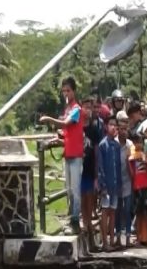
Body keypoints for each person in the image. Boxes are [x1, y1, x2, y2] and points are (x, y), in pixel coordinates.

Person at [39, 76, 84, 235]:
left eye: (68, 90)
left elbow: (66, 124)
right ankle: (72, 218)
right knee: (69, 189)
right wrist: (58, 137)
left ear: (74, 91)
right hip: (68, 154)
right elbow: (67, 132)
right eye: (64, 91)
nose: (66, 93)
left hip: (76, 155)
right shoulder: (67, 110)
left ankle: (75, 221)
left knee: (75, 190)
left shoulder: (76, 110)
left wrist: (49, 119)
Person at [80, 95, 104, 247]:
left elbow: (96, 152)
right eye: (86, 107)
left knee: (89, 204)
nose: (88, 110)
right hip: (78, 170)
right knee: (81, 204)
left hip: (89, 170)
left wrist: (97, 174)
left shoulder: (94, 129)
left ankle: (90, 238)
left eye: (90, 107)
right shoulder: (76, 126)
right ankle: (87, 236)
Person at [95, 116, 121, 252]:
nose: (112, 127)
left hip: (115, 185)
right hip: (106, 186)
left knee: (113, 213)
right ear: (106, 127)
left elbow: (118, 167)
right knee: (105, 212)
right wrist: (102, 186)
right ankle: (105, 242)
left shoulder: (116, 146)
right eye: (110, 124)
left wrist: (119, 185)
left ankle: (111, 240)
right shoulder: (102, 145)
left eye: (114, 125)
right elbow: (100, 168)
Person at [129, 129, 147, 246]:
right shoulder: (131, 156)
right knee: (138, 214)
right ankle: (139, 238)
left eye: (140, 142)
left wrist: (146, 162)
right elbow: (131, 174)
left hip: (146, 187)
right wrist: (128, 161)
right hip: (136, 187)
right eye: (136, 142)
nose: (138, 144)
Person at [114, 110, 134, 249]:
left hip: (128, 180)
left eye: (125, 129)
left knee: (127, 210)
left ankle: (127, 237)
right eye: (121, 129)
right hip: (116, 181)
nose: (123, 131)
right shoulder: (113, 144)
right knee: (117, 211)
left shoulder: (130, 145)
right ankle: (117, 237)